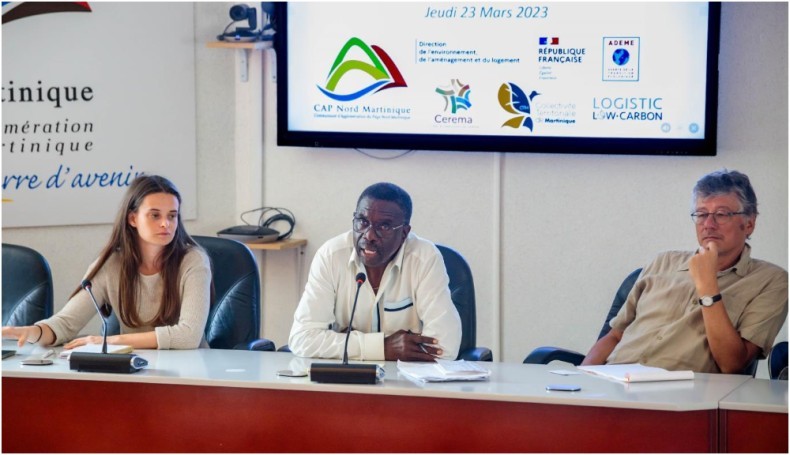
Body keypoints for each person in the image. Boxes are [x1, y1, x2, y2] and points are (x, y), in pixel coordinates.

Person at [582, 169, 788, 373]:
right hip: (613, 380)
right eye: (701, 214)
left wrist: (707, 286)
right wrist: (582, 378)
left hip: (681, 390)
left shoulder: (772, 281)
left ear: (749, 224)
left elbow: (732, 364)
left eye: (721, 214)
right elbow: (615, 336)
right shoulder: (663, 261)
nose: (708, 224)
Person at [2, 175, 212, 350]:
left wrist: (111, 341)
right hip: (136, 366)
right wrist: (34, 332)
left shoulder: (193, 260)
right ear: (132, 219)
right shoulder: (112, 264)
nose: (166, 223)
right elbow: (66, 323)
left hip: (191, 370)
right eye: (155, 215)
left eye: (172, 216)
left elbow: (188, 336)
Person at [289, 182, 462, 361]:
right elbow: (302, 339)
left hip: (405, 376)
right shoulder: (331, 256)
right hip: (345, 375)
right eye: (362, 222)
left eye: (384, 226)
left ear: (404, 233)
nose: (369, 235)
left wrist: (346, 343)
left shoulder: (424, 259)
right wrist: (382, 348)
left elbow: (444, 347)